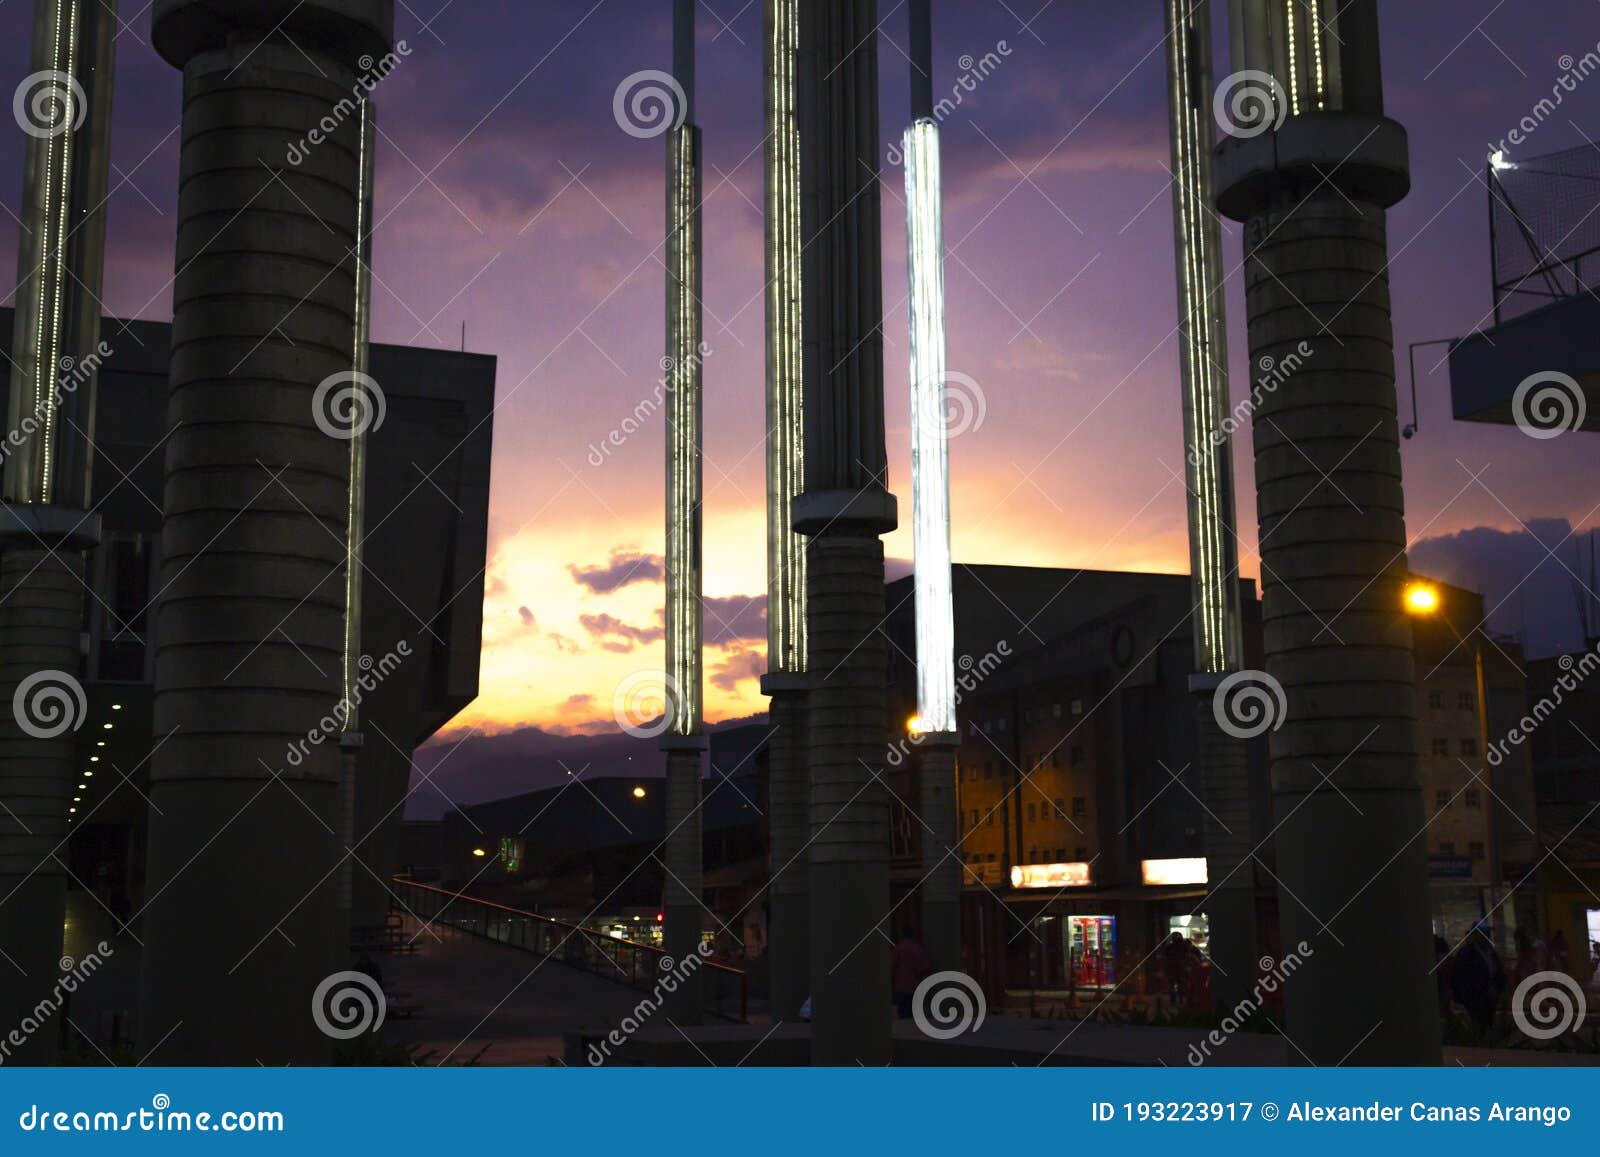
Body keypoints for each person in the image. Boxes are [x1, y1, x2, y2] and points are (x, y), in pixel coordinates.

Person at [1450, 921, 1507, 1039]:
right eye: (1484, 933)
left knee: (1487, 1025)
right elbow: (1464, 978)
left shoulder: (1490, 952)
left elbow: (1499, 972)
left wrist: (1498, 988)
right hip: (1475, 998)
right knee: (1478, 1027)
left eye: (1487, 933)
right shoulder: (1467, 954)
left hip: (1490, 997)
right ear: (1476, 935)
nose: (1487, 936)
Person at [890, 928, 933, 1019]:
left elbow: (892, 966)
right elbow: (925, 967)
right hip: (914, 984)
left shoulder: (898, 948)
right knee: (912, 1011)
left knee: (902, 1012)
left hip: (900, 985)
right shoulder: (917, 948)